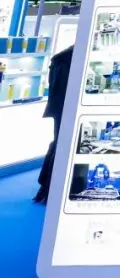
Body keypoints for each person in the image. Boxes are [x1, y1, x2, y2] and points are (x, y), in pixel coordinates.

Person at [35, 46, 74, 204]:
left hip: (61, 111)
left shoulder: (63, 58)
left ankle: (46, 189)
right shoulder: (67, 59)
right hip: (65, 111)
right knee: (60, 147)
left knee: (58, 145)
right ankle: (48, 190)